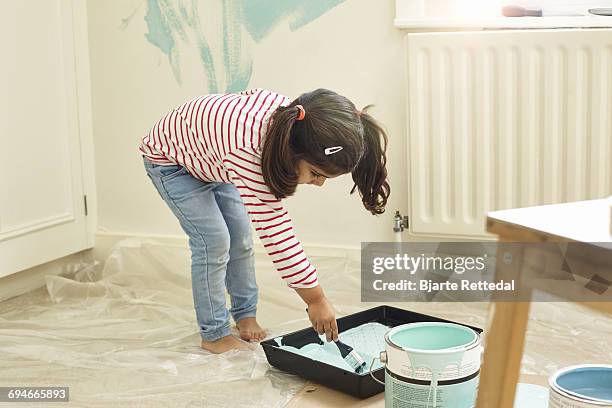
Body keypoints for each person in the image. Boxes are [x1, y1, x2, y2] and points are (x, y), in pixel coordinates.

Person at [139, 88, 390, 353]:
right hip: (172, 163)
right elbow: (277, 235)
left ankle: (244, 313)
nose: (318, 184)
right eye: (316, 174)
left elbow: (247, 95)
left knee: (241, 238)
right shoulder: (248, 152)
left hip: (214, 159)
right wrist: (315, 299)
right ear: (294, 150)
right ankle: (213, 334)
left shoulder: (294, 121)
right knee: (214, 242)